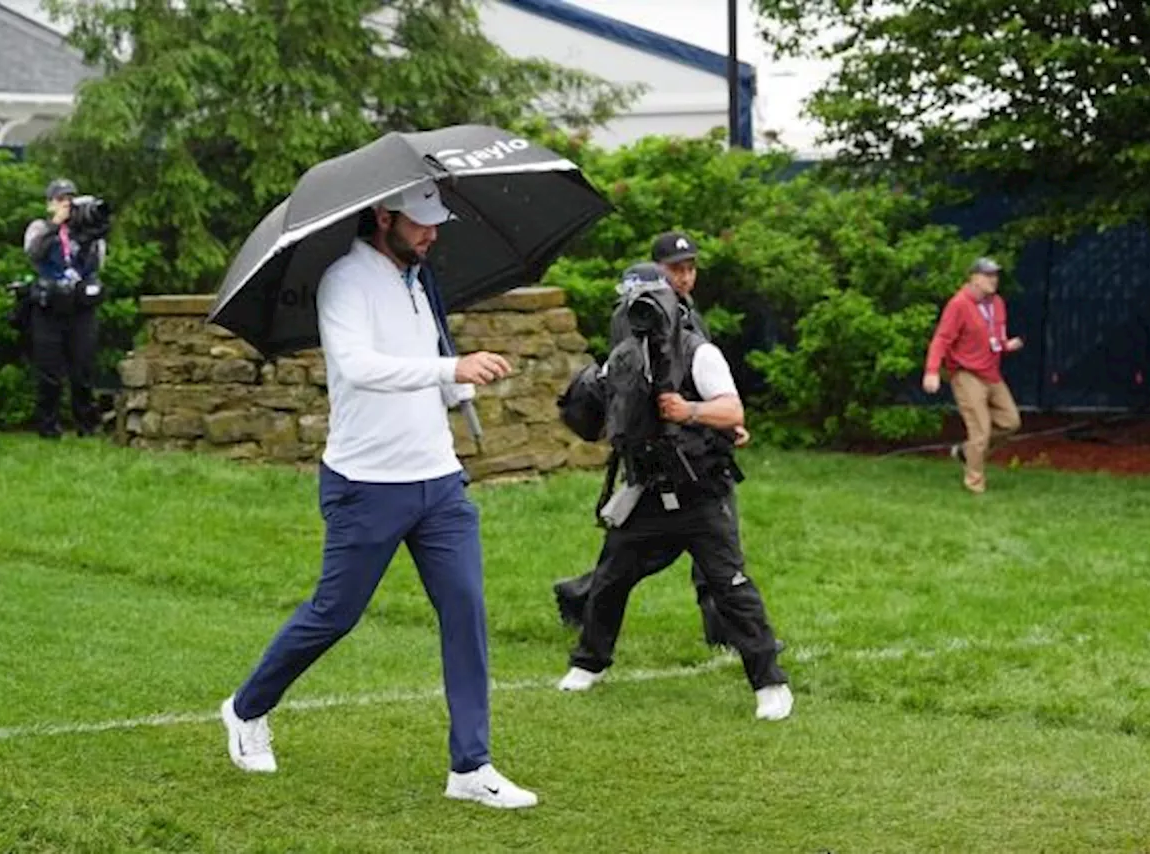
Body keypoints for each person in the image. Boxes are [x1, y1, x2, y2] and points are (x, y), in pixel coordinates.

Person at [219, 181, 538, 810]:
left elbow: (421, 362)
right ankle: (246, 707)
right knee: (335, 614)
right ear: (383, 217)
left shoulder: (421, 281)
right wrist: (450, 369)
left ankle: (470, 766)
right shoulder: (344, 280)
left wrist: (454, 388)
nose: (431, 234)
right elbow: (360, 366)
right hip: (366, 486)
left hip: (438, 482)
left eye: (434, 222)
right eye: (419, 224)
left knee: (466, 611)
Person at [557, 276, 793, 722]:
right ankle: (588, 663)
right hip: (647, 491)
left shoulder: (700, 353)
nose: (645, 321)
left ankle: (769, 682)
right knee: (610, 579)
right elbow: (601, 418)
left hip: (701, 491)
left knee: (731, 585)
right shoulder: (623, 358)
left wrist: (691, 412)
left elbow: (733, 410)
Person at [554, 233, 745, 648]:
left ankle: (726, 629)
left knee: (677, 546)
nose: (686, 277)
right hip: (667, 452)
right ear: (657, 269)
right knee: (663, 547)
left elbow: (698, 385)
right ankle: (583, 600)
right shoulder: (638, 319)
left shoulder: (688, 315)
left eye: (691, 268)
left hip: (696, 447)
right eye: (677, 269)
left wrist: (723, 424)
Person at [923, 257, 1025, 494]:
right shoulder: (959, 304)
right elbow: (942, 339)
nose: (994, 280)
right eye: (988, 275)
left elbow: (995, 333)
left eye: (996, 275)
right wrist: (931, 371)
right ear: (974, 278)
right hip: (966, 373)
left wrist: (1005, 345)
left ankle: (965, 452)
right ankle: (974, 484)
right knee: (981, 430)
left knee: (1011, 421)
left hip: (991, 372)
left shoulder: (997, 303)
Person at [22, 178, 106, 439]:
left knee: (83, 368)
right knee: (49, 371)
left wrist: (91, 231)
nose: (67, 203)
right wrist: (55, 225)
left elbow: (97, 262)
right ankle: (48, 426)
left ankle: (87, 424)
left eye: (70, 198)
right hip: (49, 307)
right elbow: (34, 254)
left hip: (80, 307)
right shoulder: (39, 228)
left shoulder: (86, 230)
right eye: (60, 199)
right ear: (50, 204)